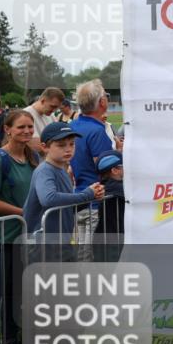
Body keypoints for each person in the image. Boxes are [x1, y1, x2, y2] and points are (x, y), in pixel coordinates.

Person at [0, 111, 38, 344]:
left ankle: (10, 341)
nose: (27, 131)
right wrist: (22, 212)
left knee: (14, 293)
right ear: (8, 129)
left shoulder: (31, 157)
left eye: (30, 126)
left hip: (20, 238)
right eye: (21, 127)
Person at [22, 122, 105, 242]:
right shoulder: (45, 170)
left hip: (61, 240)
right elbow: (48, 199)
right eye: (61, 145)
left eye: (72, 144)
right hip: (43, 242)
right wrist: (86, 194)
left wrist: (91, 197)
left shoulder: (62, 170)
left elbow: (66, 207)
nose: (68, 149)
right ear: (45, 147)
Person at [69, 80, 114, 249]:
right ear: (102, 102)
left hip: (78, 198)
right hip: (96, 203)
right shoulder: (96, 131)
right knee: (91, 257)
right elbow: (106, 168)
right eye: (105, 96)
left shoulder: (73, 125)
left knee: (81, 253)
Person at [23, 87, 65, 156]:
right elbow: (34, 144)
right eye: (52, 106)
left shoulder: (51, 115)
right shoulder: (25, 114)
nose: (54, 110)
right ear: (42, 101)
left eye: (57, 108)